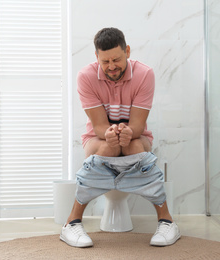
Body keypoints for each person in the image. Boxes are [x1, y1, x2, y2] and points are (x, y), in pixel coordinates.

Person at [60, 27, 181, 248]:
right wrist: (109, 134)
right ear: (96, 56)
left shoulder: (145, 74)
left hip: (136, 136)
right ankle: (72, 223)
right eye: (105, 61)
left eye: (116, 59)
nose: (111, 66)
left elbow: (136, 125)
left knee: (135, 149)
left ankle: (167, 221)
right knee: (109, 150)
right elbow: (98, 126)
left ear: (127, 51)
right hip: (99, 138)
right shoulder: (86, 76)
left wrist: (128, 133)